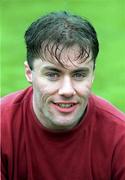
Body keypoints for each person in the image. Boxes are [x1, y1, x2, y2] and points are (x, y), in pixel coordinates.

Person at [1, 11, 125, 180]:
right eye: (53, 74)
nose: (67, 90)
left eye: (79, 74)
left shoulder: (119, 136)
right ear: (29, 73)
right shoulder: (3, 126)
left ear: (93, 75)